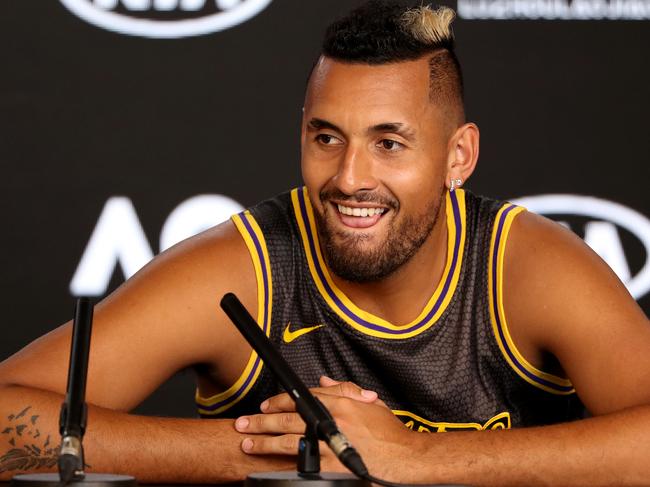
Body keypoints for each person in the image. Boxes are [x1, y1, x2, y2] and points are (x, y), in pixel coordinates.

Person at [1, 1, 649, 485]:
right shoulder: (246, 266)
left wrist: (417, 457)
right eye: (326, 137)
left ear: (459, 155)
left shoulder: (525, 264)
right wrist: (277, 450)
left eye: (389, 143)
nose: (349, 177)